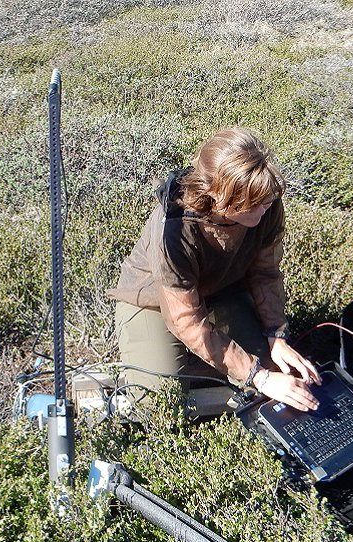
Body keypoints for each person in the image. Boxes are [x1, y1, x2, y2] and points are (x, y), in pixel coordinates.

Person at [108, 127, 321, 412]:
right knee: (156, 404)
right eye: (253, 206)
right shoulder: (174, 229)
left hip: (222, 289)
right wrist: (258, 375)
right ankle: (184, 361)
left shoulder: (264, 197)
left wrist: (276, 335)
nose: (263, 211)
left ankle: (209, 361)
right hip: (152, 300)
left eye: (267, 202)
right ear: (216, 195)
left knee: (276, 372)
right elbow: (185, 320)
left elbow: (265, 273)